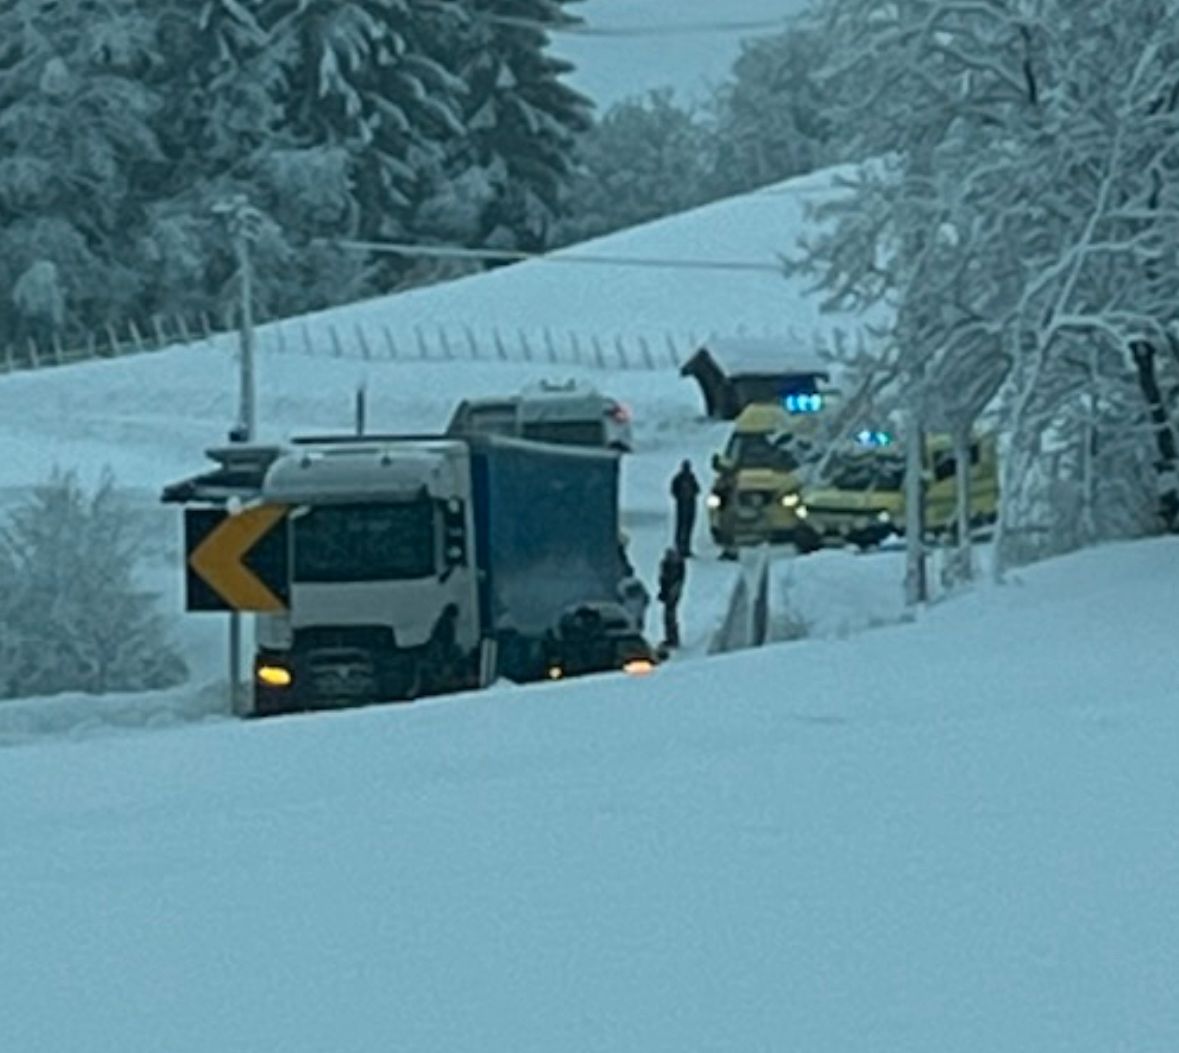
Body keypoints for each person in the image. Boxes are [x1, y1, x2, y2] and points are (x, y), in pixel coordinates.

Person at [670, 459, 700, 557]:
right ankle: (679, 547)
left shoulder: (691, 478)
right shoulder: (678, 478)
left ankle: (686, 547)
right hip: (682, 506)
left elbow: (697, 489)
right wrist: (681, 497)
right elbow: (674, 490)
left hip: (690, 506)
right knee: (681, 527)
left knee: (688, 528)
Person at [657, 546, 686, 649]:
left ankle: (673, 639)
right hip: (669, 592)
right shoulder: (668, 566)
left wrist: (670, 594)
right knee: (668, 616)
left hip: (672, 594)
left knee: (670, 616)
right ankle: (671, 638)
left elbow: (673, 583)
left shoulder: (676, 568)